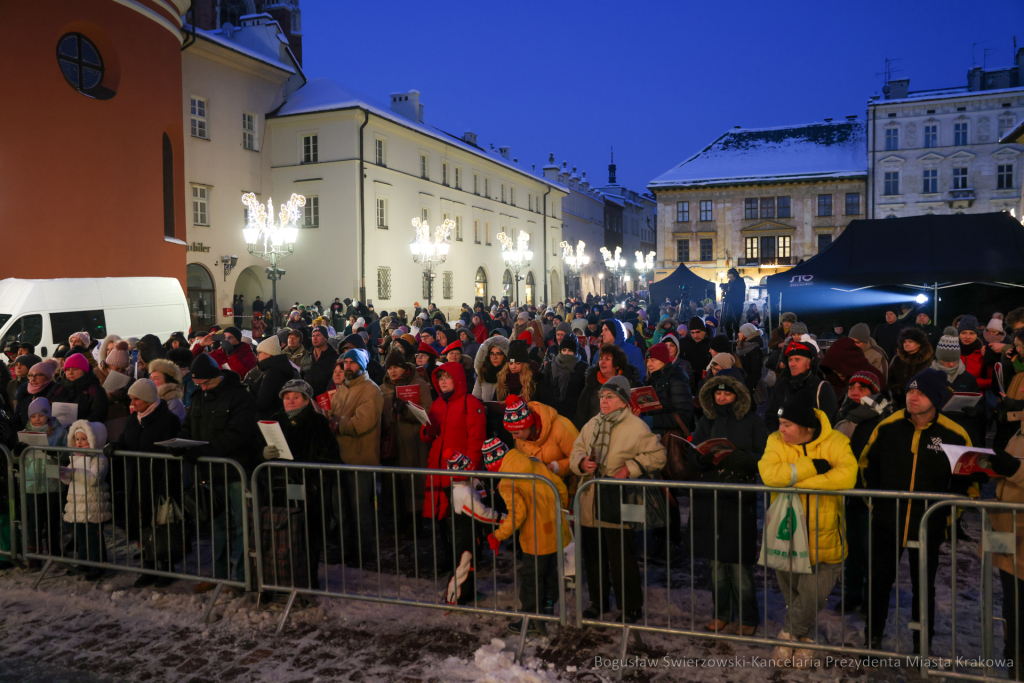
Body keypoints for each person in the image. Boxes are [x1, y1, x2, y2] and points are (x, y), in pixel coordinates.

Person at [860, 369, 974, 653]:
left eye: (920, 393)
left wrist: (946, 517)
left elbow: (965, 483)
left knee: (924, 587)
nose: (913, 397)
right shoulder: (887, 427)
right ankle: (872, 640)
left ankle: (922, 645)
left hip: (928, 525)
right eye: (910, 391)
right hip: (887, 522)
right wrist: (875, 505)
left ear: (935, 398)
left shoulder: (954, 434)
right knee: (878, 583)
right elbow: (866, 467)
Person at [758, 396, 857, 667]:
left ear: (807, 428)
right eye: (780, 423)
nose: (781, 429)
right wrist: (813, 467)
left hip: (825, 538)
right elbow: (769, 475)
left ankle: (788, 636)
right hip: (786, 535)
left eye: (787, 424)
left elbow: (847, 476)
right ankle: (807, 640)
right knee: (796, 598)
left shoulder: (836, 442)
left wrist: (797, 482)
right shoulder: (775, 442)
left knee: (812, 596)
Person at [569, 375, 667, 623]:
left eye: (610, 396)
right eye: (602, 396)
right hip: (591, 499)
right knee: (593, 557)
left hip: (622, 499)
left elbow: (658, 455)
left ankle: (631, 605)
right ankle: (597, 601)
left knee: (622, 556)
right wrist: (582, 462)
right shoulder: (592, 424)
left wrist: (631, 468)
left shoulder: (636, 427)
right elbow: (576, 449)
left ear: (623, 401)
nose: (603, 400)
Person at [690, 375, 768, 636]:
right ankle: (721, 612)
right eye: (718, 394)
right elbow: (695, 454)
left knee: (738, 562)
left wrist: (742, 458)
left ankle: (748, 615)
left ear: (739, 395)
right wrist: (702, 458)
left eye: (728, 394)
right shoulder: (706, 420)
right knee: (715, 563)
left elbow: (765, 457)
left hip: (738, 496)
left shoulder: (753, 422)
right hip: (711, 494)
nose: (722, 398)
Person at [178, 354, 259, 591]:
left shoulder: (239, 396)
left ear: (218, 376)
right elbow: (189, 426)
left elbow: (239, 433)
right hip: (209, 471)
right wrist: (182, 445)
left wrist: (206, 451)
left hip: (236, 471)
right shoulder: (198, 397)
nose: (203, 387)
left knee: (243, 526)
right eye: (199, 384)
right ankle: (219, 576)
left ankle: (245, 577)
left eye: (206, 383)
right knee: (217, 525)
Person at [260, 379, 339, 595]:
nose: (290, 401)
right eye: (287, 397)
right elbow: (259, 453)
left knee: (308, 538)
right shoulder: (274, 421)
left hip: (309, 491)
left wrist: (313, 482)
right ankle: (282, 580)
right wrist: (264, 454)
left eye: (296, 397)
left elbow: (330, 456)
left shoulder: (317, 422)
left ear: (306, 400)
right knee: (282, 537)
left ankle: (307, 582)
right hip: (279, 491)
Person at [484, 438, 570, 636]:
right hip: (553, 529)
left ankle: (531, 619)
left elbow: (517, 514)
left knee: (531, 577)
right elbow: (560, 487)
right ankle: (548, 607)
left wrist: (499, 534)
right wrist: (561, 513)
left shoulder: (507, 482)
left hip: (535, 537)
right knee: (549, 570)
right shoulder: (533, 462)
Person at [103, 379, 182, 587]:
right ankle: (148, 565)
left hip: (158, 479)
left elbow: (170, 449)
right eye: (131, 398)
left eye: (136, 398)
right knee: (141, 523)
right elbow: (125, 439)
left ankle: (165, 567)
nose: (133, 402)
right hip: (136, 478)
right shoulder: (133, 419)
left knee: (160, 525)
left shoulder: (167, 419)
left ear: (147, 399)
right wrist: (115, 445)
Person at [329, 349, 384, 565]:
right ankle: (345, 549)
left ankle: (363, 554)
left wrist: (337, 423)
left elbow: (362, 423)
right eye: (346, 363)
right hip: (340, 457)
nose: (348, 366)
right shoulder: (342, 390)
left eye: (352, 363)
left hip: (361, 458)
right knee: (341, 509)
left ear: (361, 365)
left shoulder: (371, 390)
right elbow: (334, 414)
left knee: (361, 510)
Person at [419, 362, 486, 522]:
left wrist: (468, 469)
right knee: (442, 516)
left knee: (463, 518)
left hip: (460, 470)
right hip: (439, 466)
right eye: (441, 378)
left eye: (448, 377)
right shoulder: (437, 404)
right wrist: (429, 430)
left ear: (458, 379)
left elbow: (476, 441)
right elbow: (426, 437)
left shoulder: (470, 402)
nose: (443, 381)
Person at [444, 449, 505, 606]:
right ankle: (454, 598)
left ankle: (467, 592)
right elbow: (481, 513)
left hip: (472, 534)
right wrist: (501, 518)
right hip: (464, 536)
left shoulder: (467, 485)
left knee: (471, 565)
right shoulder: (463, 493)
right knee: (463, 566)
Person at [380, 348, 432, 525]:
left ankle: (416, 521)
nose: (392, 371)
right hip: (391, 442)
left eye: (396, 367)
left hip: (412, 443)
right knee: (394, 484)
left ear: (404, 367)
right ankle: (397, 521)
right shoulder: (383, 387)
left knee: (413, 483)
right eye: (389, 368)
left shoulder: (419, 384)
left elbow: (428, 412)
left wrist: (407, 410)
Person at [16, 398, 67, 562]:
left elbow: (68, 454)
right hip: (31, 481)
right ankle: (34, 551)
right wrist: (17, 453)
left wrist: (55, 454)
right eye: (33, 416)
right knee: (34, 519)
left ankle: (54, 550)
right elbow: (17, 459)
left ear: (48, 416)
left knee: (52, 517)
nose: (37, 419)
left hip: (52, 479)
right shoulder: (25, 432)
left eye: (41, 415)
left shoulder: (60, 432)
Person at [60, 420, 111, 581]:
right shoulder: (74, 457)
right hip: (77, 503)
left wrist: (73, 472)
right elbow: (70, 480)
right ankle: (83, 561)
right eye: (77, 439)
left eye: (84, 439)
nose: (80, 443)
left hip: (93, 503)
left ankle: (98, 564)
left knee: (93, 535)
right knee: (80, 534)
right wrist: (64, 475)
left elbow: (94, 479)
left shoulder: (99, 458)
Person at [765, 339, 838, 433]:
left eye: (797, 360)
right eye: (790, 360)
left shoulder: (822, 388)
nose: (792, 364)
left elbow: (829, 421)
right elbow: (771, 416)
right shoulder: (780, 386)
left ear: (809, 363)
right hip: (783, 442)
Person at [503, 394, 579, 479]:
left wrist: (556, 467)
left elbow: (580, 458)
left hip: (566, 485)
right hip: (538, 488)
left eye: (516, 433)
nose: (514, 437)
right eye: (511, 433)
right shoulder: (521, 435)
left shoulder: (561, 427)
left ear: (528, 426)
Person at [576, 343, 642, 429]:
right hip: (594, 432)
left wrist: (633, 417)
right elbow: (581, 414)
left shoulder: (629, 385)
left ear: (617, 365)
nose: (602, 362)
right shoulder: (592, 383)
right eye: (600, 359)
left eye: (607, 359)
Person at [641, 343, 694, 431]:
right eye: (648, 361)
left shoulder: (676, 379)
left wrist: (651, 420)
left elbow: (684, 416)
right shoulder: (650, 380)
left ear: (664, 360)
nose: (649, 364)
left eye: (653, 360)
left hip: (669, 437)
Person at [535, 333, 589, 421]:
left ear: (575, 351)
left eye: (570, 350)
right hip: (553, 413)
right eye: (564, 350)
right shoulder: (550, 366)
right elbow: (544, 390)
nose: (566, 353)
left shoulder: (583, 368)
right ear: (560, 350)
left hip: (574, 415)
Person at [246, 337, 297, 420]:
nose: (257, 356)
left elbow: (262, 403)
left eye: (259, 353)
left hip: (268, 419)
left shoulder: (273, 373)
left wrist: (249, 388)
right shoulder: (275, 369)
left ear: (268, 354)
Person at [50, 353, 109, 423]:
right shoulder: (58, 388)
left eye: (75, 369)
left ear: (84, 371)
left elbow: (98, 416)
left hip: (85, 429)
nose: (70, 373)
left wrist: (77, 425)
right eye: (68, 369)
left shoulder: (95, 390)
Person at [886, 327, 934, 409]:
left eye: (910, 341)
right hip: (898, 403)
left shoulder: (927, 361)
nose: (906, 344)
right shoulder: (897, 359)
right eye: (904, 341)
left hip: (920, 403)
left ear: (919, 343)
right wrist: (895, 388)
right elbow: (889, 379)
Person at [13, 360, 58, 430]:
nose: (33, 379)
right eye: (30, 375)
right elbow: (17, 417)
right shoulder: (23, 393)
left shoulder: (55, 393)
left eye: (38, 375)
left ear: (48, 377)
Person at [301, 326, 340, 397]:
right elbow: (302, 379)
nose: (315, 338)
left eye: (318, 335)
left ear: (325, 338)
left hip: (327, 400)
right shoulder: (306, 358)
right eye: (313, 336)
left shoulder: (335, 358)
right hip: (309, 401)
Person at [679, 317, 712, 395]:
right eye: (692, 333)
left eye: (698, 332)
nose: (695, 335)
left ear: (704, 331)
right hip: (687, 379)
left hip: (705, 379)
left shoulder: (711, 343)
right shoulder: (683, 343)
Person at [473, 336, 509, 402]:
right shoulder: (483, 372)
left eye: (498, 354)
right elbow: (475, 398)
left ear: (504, 355)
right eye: (492, 354)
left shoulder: (509, 374)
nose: (494, 357)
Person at [720, 268, 745, 337]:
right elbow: (729, 288)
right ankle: (729, 339)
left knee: (735, 324)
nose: (730, 278)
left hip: (737, 305)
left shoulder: (740, 281)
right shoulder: (730, 282)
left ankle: (737, 341)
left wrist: (731, 289)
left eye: (732, 277)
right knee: (727, 324)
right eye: (729, 277)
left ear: (735, 275)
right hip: (730, 304)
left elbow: (739, 292)